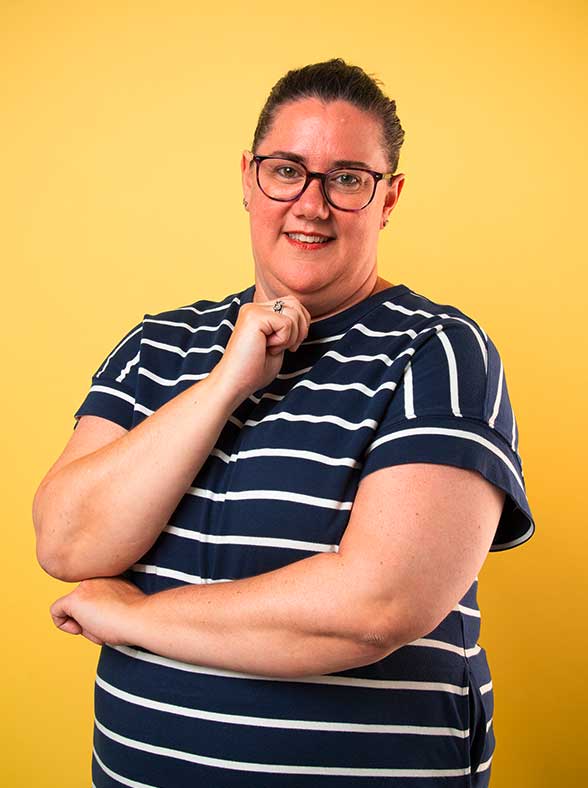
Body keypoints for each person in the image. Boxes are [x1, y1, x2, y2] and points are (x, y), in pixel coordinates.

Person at [33, 58, 535, 787]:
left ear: (388, 198)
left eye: (347, 179)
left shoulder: (439, 351)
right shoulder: (158, 346)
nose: (311, 204)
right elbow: (67, 541)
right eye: (287, 170)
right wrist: (227, 383)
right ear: (248, 178)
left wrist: (133, 618)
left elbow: (376, 606)